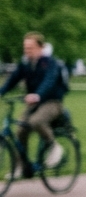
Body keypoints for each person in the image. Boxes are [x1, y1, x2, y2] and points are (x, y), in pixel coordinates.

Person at [0, 32, 67, 175]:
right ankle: (22, 166)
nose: (27, 50)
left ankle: (54, 147)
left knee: (36, 121)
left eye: (30, 47)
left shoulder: (50, 63)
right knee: (20, 129)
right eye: (25, 47)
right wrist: (1, 91)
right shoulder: (25, 64)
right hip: (35, 103)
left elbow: (49, 81)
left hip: (52, 102)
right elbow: (12, 80)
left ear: (40, 48)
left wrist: (38, 95)